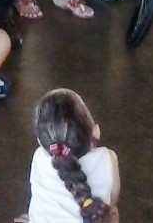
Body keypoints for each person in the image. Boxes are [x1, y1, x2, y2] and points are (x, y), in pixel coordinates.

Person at [27, 88, 120, 222]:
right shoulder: (108, 158)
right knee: (112, 212)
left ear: (40, 141)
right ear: (95, 131)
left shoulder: (39, 159)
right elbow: (112, 201)